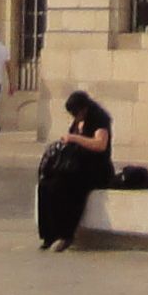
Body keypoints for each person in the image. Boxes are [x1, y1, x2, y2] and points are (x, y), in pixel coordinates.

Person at [33, 90, 114, 249]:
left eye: (76, 113)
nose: (74, 117)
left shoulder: (99, 119)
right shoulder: (77, 121)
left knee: (67, 187)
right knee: (46, 184)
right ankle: (49, 234)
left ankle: (66, 233)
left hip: (95, 169)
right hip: (76, 165)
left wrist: (75, 138)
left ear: (84, 109)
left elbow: (100, 144)